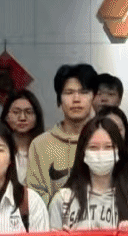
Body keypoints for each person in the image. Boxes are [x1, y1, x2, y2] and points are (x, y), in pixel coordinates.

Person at [26, 63, 98, 206]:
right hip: (54, 219)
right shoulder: (41, 144)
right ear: (59, 99)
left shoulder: (104, 141)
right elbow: (36, 196)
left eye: (84, 92)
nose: (76, 99)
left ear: (93, 98)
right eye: (69, 92)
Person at [1, 87, 43, 184]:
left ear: (37, 117)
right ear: (6, 116)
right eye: (16, 112)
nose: (22, 118)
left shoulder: (45, 150)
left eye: (28, 112)